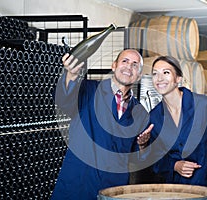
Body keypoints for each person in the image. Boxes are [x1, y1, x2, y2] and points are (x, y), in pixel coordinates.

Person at [51, 49, 150, 200]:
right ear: (114, 66)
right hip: (79, 183)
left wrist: (143, 145)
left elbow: (136, 158)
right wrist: (70, 74)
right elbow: (63, 100)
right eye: (125, 61)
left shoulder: (141, 113)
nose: (129, 67)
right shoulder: (88, 90)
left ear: (139, 75)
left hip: (113, 188)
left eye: (135, 65)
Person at [138, 55, 207, 186]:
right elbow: (155, 158)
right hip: (178, 189)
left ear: (178, 78)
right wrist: (174, 165)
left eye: (166, 72)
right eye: (155, 74)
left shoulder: (202, 105)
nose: (159, 78)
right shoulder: (154, 117)